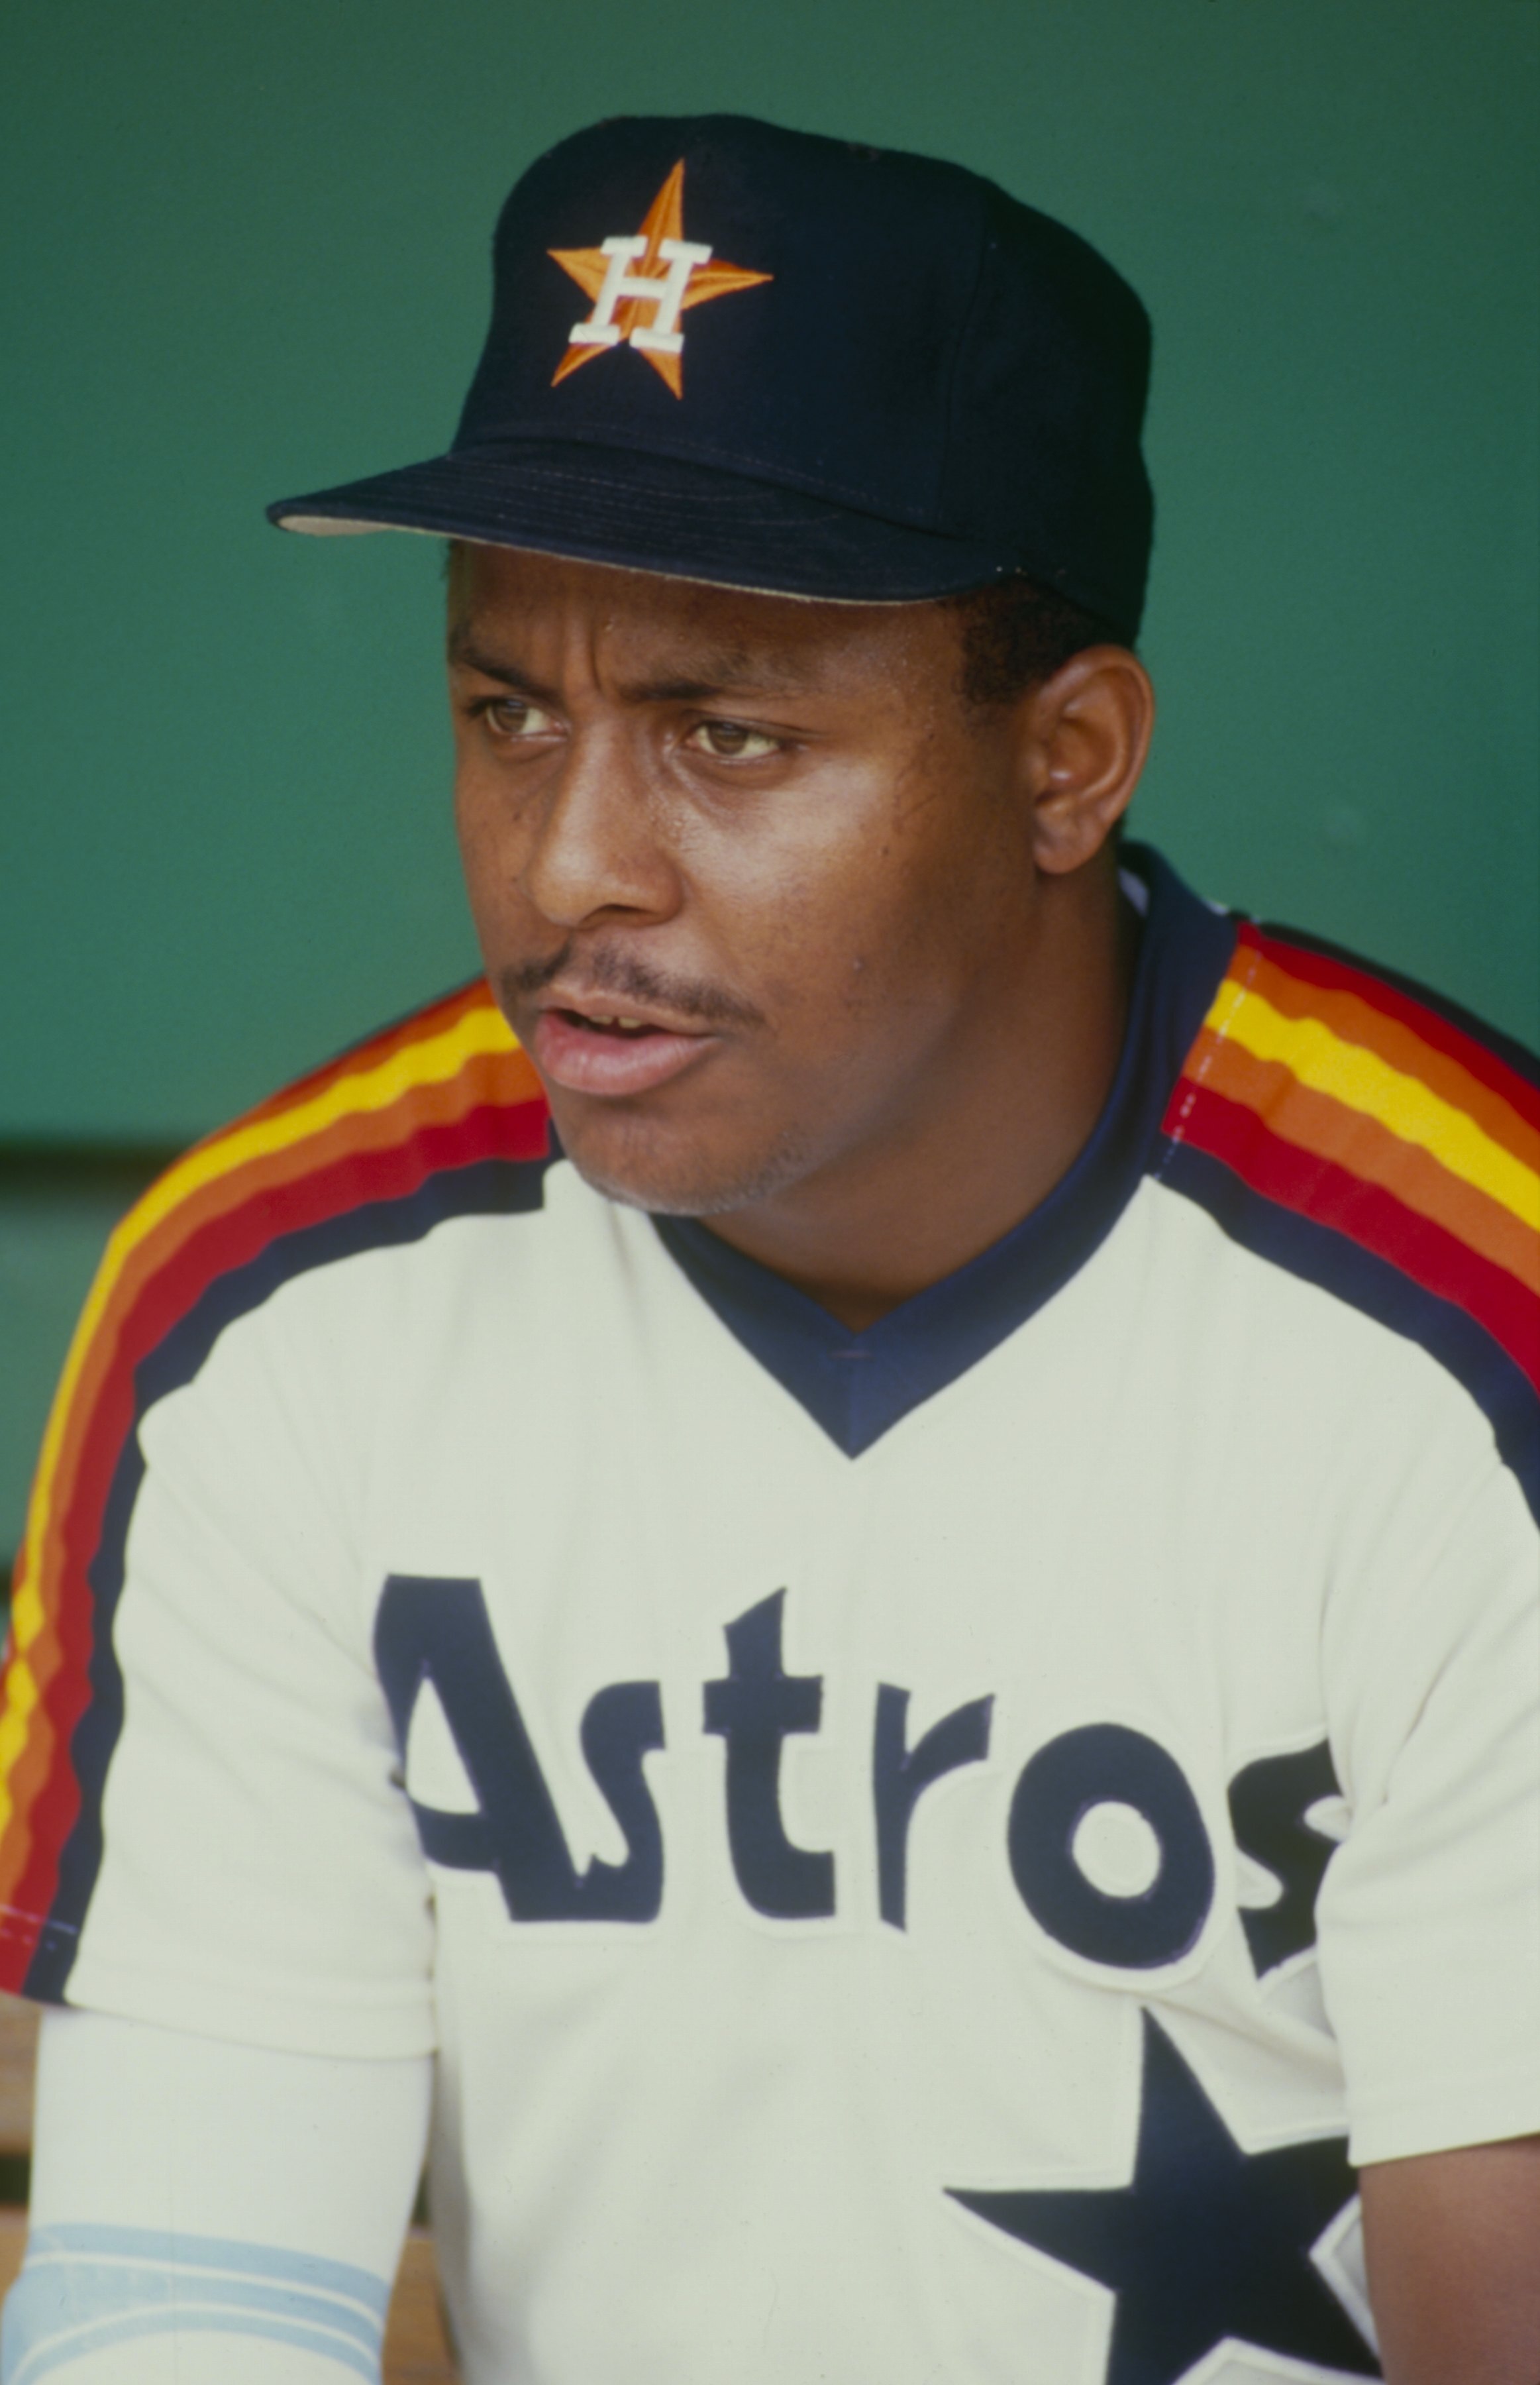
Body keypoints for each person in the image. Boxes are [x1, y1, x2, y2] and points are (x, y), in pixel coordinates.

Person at [0, 111, 1535, 2385]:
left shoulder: (1473, 1320)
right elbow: (186, 2305)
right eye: (509, 709)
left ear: (1067, 760)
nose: (569, 869)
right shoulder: (275, 1304)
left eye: (725, 736)